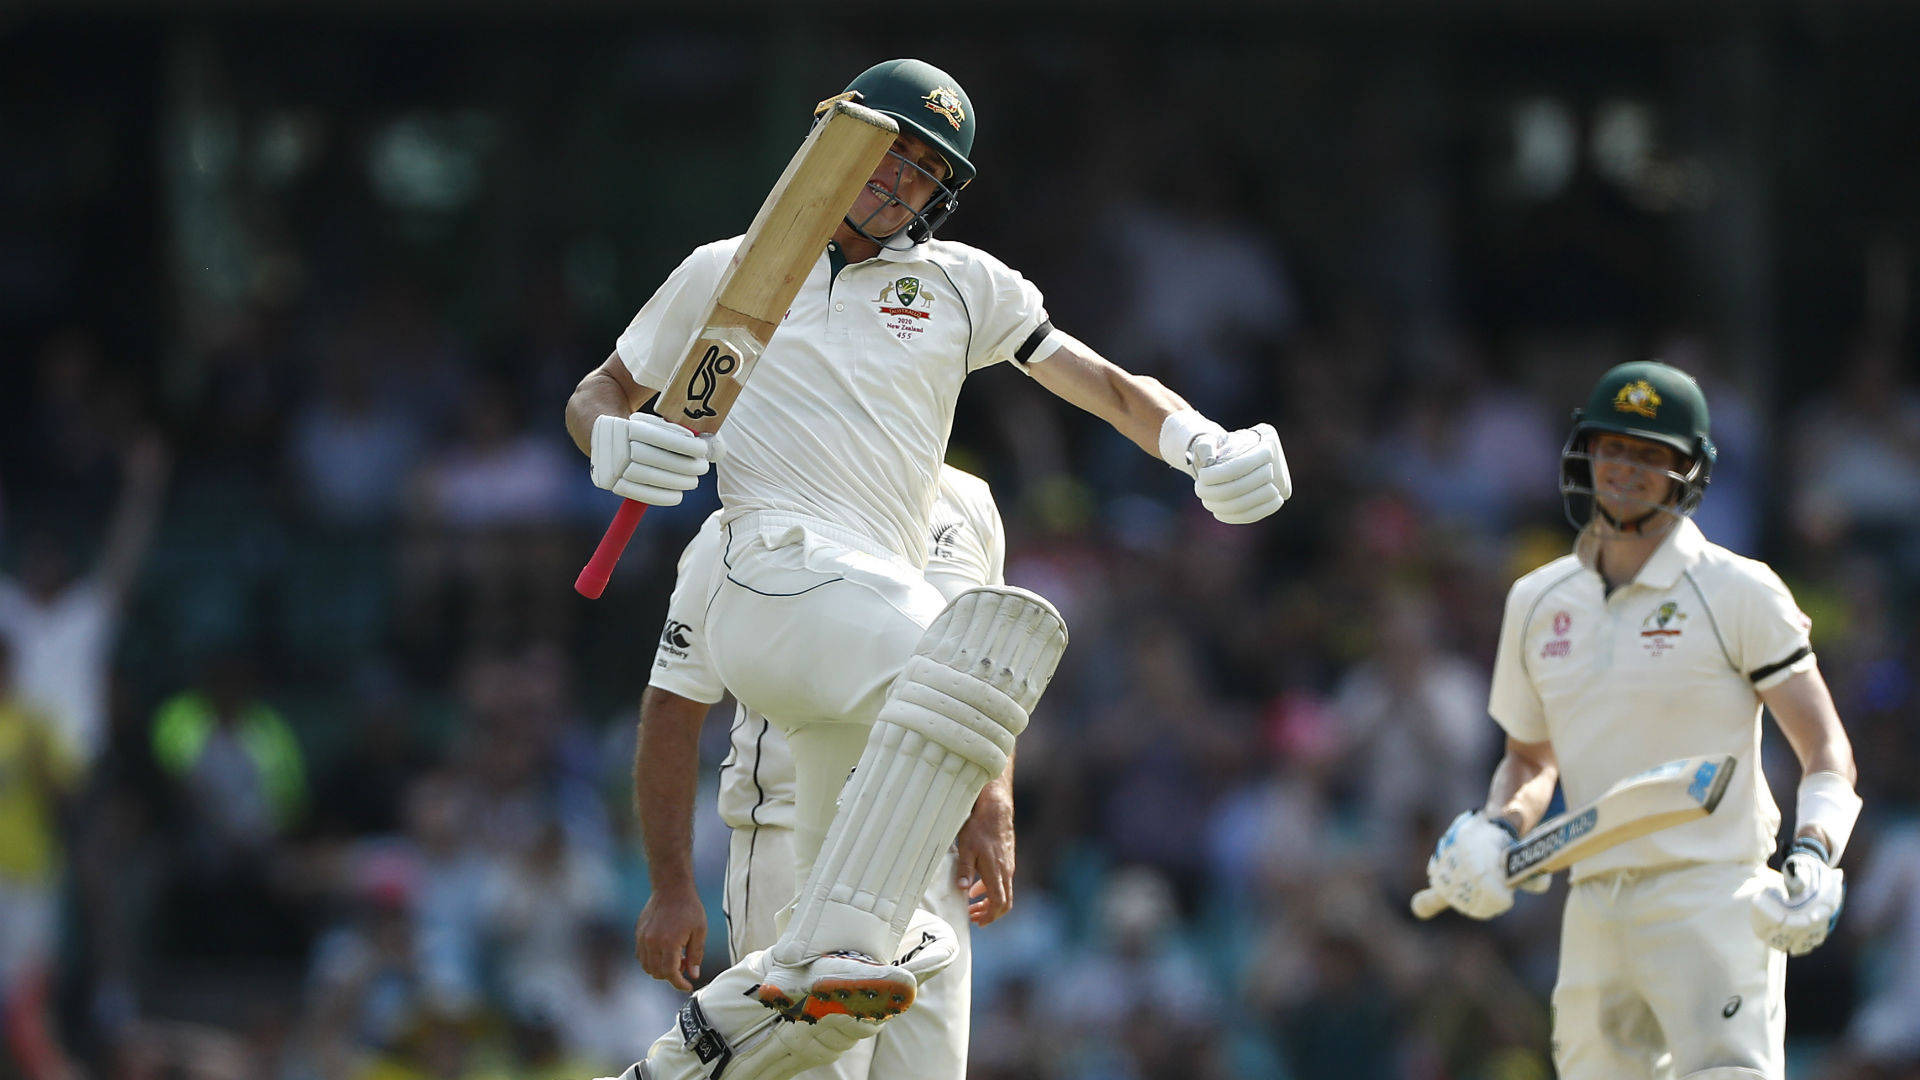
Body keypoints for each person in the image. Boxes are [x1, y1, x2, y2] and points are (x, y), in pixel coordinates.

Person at [566, 59, 1290, 1080]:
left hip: (884, 687)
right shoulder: (722, 270)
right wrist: (609, 442)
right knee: (963, 660)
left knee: (882, 1026)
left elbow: (1109, 386)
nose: (901, 185)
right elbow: (603, 390)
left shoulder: (960, 288)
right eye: (888, 157)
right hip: (780, 586)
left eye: (924, 173)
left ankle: (715, 1042)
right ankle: (811, 972)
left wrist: (1202, 444)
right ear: (834, 146)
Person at [1421, 360, 1861, 1080]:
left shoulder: (1739, 590)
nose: (1625, 469)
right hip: (1595, 904)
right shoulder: (1538, 600)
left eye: (1651, 455)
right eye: (1613, 446)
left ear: (1689, 471)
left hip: (1713, 892)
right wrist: (1496, 827)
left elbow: (1825, 748)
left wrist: (1814, 852)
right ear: (1585, 453)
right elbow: (1531, 761)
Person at [632, 464, 1012, 1080]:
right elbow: (673, 708)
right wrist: (672, 886)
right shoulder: (738, 530)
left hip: (932, 860)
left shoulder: (969, 501)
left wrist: (994, 800)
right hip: (793, 854)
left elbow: (988, 667)